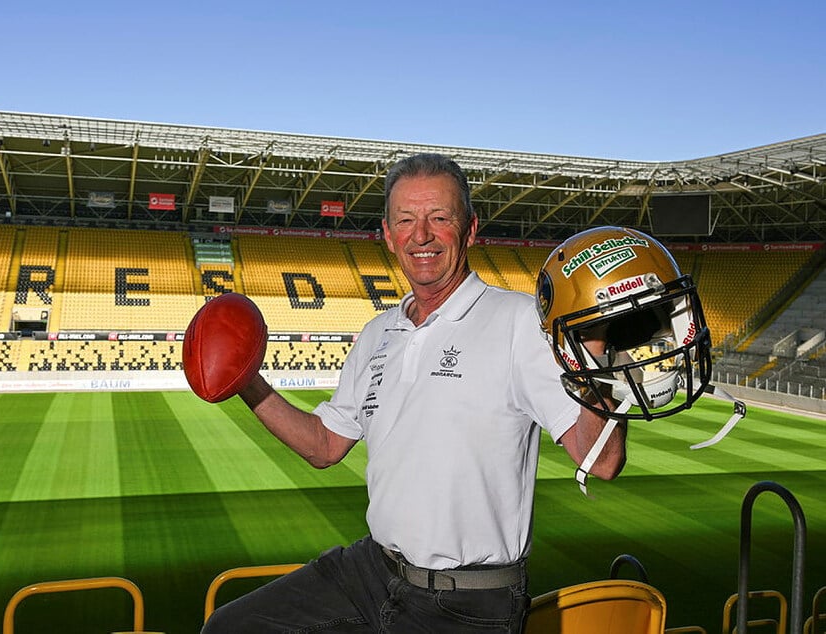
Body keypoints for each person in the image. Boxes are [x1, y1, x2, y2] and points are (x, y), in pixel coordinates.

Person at [201, 153, 626, 633]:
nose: (420, 235)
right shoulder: (378, 332)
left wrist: (591, 360)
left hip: (467, 600)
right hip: (372, 570)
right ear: (388, 233)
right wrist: (247, 382)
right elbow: (324, 445)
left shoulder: (520, 322)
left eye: (439, 218)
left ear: (469, 230)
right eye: (406, 220)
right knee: (231, 627)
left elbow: (603, 460)